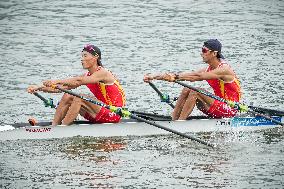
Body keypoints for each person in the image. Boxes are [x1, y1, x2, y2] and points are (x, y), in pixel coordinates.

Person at [27, 44, 126, 126]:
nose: (82, 59)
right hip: (98, 112)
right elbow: (60, 89)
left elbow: (79, 81)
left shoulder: (103, 72)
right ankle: (54, 126)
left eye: (85, 56)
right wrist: (38, 87)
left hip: (113, 114)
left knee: (79, 97)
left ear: (95, 57)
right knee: (68, 95)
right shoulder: (87, 75)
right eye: (81, 56)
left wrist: (55, 81)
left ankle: (64, 128)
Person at [143, 39, 241, 120]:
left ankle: (180, 124)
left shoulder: (224, 69)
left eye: (204, 51)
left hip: (230, 109)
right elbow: (192, 75)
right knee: (187, 89)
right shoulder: (209, 68)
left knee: (196, 91)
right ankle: (173, 119)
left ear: (214, 53)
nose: (201, 54)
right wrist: (154, 76)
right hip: (218, 107)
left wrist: (175, 77)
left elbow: (198, 77)